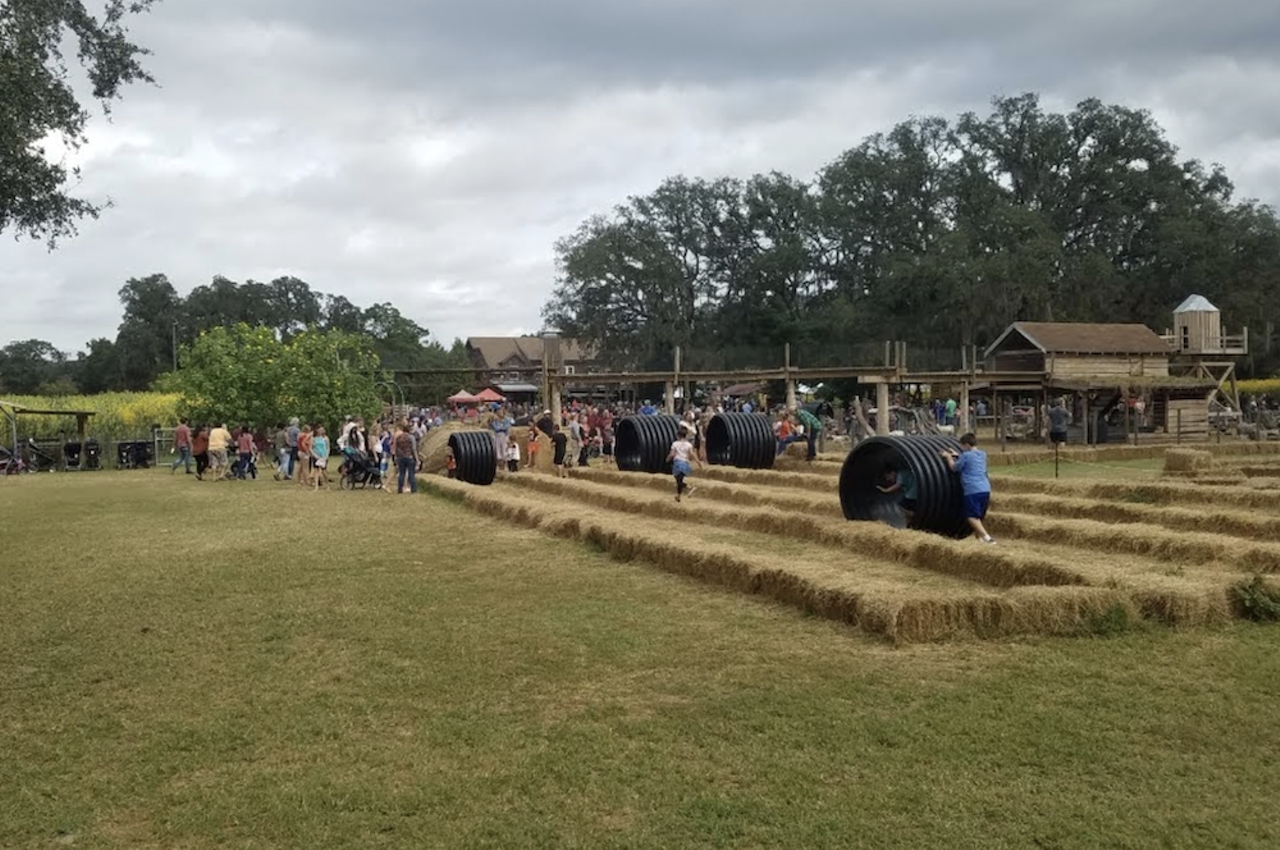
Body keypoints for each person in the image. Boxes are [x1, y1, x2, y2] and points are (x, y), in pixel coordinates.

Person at [942, 433, 995, 544]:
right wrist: (958, 455)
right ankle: (979, 540)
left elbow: (954, 468)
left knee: (971, 517)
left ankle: (988, 539)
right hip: (985, 488)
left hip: (972, 490)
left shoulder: (966, 456)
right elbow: (970, 460)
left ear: (966, 445)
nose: (962, 448)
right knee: (979, 515)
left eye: (962, 446)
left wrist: (948, 457)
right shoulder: (982, 454)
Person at [666, 423, 700, 502]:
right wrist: (698, 462)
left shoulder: (675, 444)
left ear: (678, 436)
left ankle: (689, 488)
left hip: (677, 463)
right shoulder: (688, 445)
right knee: (679, 480)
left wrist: (667, 459)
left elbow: (672, 454)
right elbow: (692, 454)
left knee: (678, 480)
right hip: (685, 463)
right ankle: (679, 496)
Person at [393, 421, 417, 494]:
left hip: (401, 457)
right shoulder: (411, 437)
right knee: (411, 473)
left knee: (401, 473)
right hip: (409, 457)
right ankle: (413, 489)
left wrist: (396, 457)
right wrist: (417, 459)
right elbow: (414, 449)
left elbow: (396, 448)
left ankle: (400, 489)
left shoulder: (399, 437)